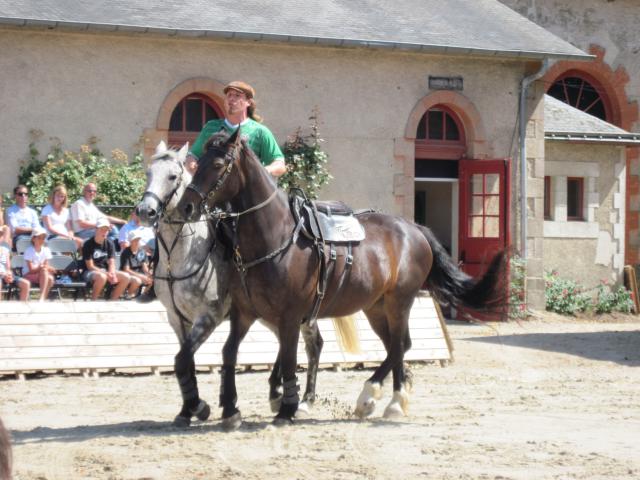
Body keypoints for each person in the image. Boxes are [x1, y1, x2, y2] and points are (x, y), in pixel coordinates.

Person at [186, 80, 286, 177]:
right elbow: (192, 155)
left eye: (237, 96)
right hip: (214, 191)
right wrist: (191, 164)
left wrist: (264, 171)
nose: (232, 99)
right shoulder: (211, 127)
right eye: (229, 95)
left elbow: (280, 165)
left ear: (248, 102)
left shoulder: (260, 131)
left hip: (247, 191)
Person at [81, 217, 135, 300]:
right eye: (102, 229)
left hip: (106, 271)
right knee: (102, 277)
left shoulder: (110, 243)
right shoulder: (88, 244)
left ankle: (112, 301)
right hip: (90, 272)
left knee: (126, 277)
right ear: (96, 229)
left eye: (106, 230)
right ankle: (93, 301)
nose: (104, 232)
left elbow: (111, 262)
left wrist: (112, 273)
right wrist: (107, 274)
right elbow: (90, 266)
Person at [41, 184, 83, 249]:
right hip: (52, 236)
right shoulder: (46, 209)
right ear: (54, 195)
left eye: (62, 196)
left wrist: (70, 235)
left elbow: (69, 228)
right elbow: (50, 228)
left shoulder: (66, 211)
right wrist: (65, 235)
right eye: (58, 196)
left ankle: (82, 259)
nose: (59, 198)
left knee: (82, 243)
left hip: (65, 236)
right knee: (70, 243)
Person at [22, 226, 55, 302]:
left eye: (43, 238)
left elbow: (46, 266)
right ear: (33, 239)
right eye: (39, 238)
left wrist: (49, 268)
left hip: (40, 274)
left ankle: (41, 299)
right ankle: (42, 298)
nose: (41, 240)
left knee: (50, 278)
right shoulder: (29, 250)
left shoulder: (46, 250)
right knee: (45, 272)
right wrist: (42, 267)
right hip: (28, 275)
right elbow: (31, 270)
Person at [119, 230, 153, 298]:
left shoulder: (142, 251)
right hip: (129, 275)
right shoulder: (126, 252)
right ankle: (129, 296)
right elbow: (126, 270)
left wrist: (149, 274)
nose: (137, 242)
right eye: (135, 240)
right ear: (131, 241)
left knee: (152, 279)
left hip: (139, 274)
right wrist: (141, 276)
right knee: (138, 280)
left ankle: (142, 295)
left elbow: (144, 267)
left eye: (138, 240)